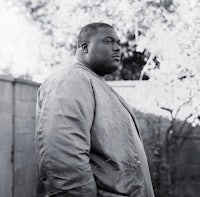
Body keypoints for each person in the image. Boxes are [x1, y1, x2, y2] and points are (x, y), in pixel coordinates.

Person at [35, 22, 155, 197]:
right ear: (85, 47)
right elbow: (62, 162)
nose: (117, 49)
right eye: (108, 41)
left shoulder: (95, 82)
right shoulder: (71, 81)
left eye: (118, 43)